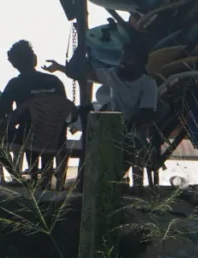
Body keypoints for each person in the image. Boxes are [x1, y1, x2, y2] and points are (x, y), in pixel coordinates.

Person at [46, 41, 157, 182]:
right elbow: (86, 74)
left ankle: (128, 184)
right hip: (108, 129)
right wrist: (60, 67)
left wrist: (122, 129)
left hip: (133, 134)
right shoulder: (112, 75)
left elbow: (146, 115)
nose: (123, 61)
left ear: (140, 62)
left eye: (128, 58)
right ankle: (88, 180)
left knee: (131, 147)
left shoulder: (148, 83)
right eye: (122, 57)